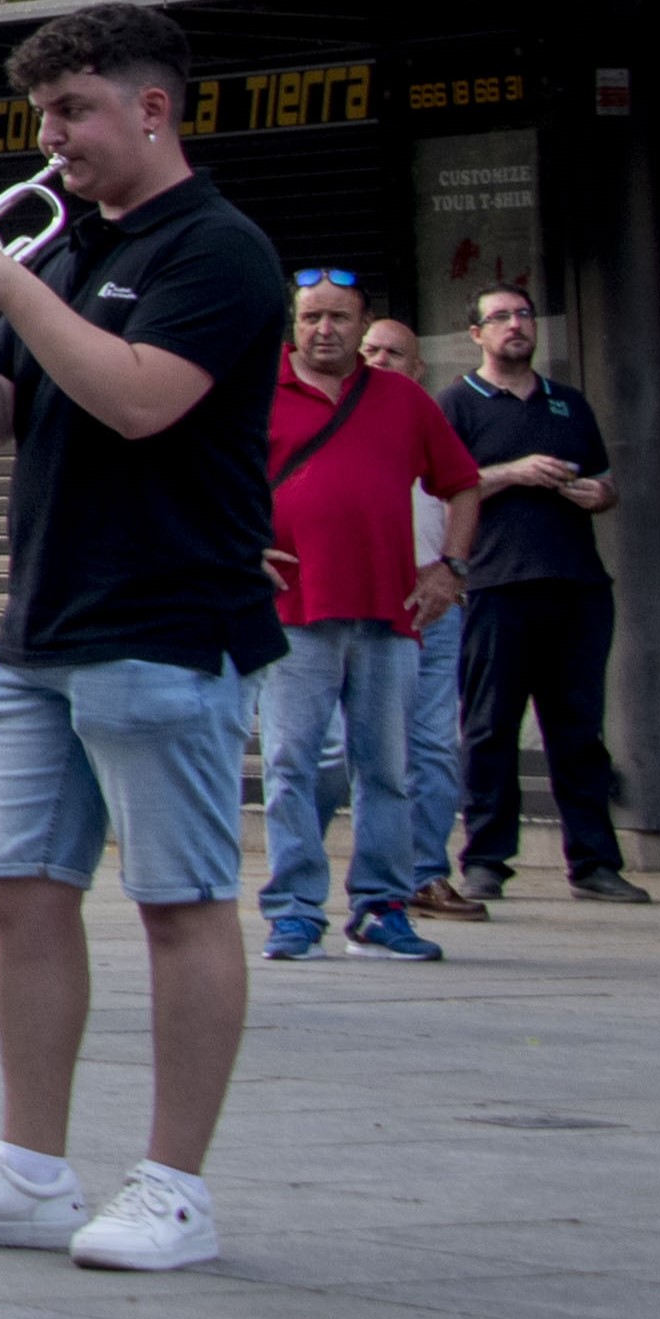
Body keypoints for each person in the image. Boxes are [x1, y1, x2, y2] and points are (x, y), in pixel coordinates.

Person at [0, 0, 283, 1278]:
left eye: (72, 112)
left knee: (179, 905)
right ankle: (29, 1170)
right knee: (21, 895)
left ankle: (174, 1187)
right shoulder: (66, 252)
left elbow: (143, 399)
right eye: (43, 115)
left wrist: (5, 285)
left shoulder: (218, 249)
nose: (50, 141)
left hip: (168, 621)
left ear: (151, 108)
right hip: (42, 623)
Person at [251, 273, 478, 963]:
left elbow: (462, 485)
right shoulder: (255, 392)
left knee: (387, 770)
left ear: (363, 323)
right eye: (311, 317)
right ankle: (294, 912)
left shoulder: (403, 399)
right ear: (292, 323)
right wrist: (237, 548)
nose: (324, 330)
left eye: (339, 318)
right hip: (294, 612)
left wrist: (450, 567)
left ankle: (381, 907)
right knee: (290, 766)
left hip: (389, 613)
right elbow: (203, 477)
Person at [445, 282, 650, 907]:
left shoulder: (568, 402)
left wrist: (600, 494)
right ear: (476, 334)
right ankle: (486, 861)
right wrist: (512, 472)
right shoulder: (458, 403)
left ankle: (594, 863)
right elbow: (439, 488)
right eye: (500, 317)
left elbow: (605, 481)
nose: (515, 325)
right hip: (496, 586)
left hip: (576, 585)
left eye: (523, 315)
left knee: (579, 731)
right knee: (490, 728)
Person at [365, 314, 487, 928]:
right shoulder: (330, 419)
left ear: (417, 368)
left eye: (395, 353)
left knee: (434, 746)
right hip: (355, 604)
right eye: (372, 350)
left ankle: (424, 875)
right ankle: (309, 888)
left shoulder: (430, 421)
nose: (380, 360)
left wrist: (452, 570)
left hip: (432, 604)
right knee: (333, 754)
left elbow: (466, 487)